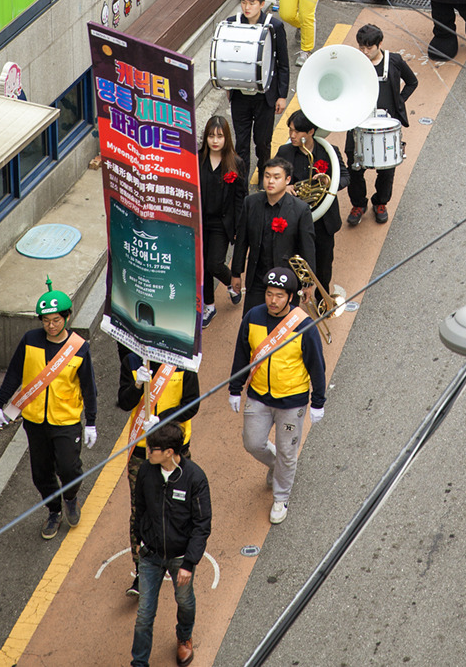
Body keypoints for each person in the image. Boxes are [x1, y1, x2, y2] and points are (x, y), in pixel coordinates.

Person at [0, 278, 97, 538]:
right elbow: (14, 374)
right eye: (46, 321)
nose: (51, 325)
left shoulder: (79, 348)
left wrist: (91, 422)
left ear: (67, 317)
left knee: (69, 469)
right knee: (41, 473)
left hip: (66, 420)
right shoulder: (30, 340)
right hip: (35, 420)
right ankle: (54, 510)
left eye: (56, 320)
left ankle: (70, 498)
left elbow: (89, 387)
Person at [228, 265, 326, 525]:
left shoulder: (304, 326)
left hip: (292, 402)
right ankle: (277, 466)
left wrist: (318, 401)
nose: (273, 300)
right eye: (269, 294)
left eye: (280, 296)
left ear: (290, 297)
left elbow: (317, 366)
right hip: (258, 396)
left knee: (287, 452)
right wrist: (235, 388)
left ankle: (281, 498)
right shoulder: (252, 317)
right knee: (252, 443)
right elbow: (241, 354)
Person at [117, 352, 201, 598]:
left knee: (180, 507)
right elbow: (124, 402)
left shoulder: (183, 360)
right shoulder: (133, 362)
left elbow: (192, 404)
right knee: (140, 511)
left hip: (175, 450)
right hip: (142, 451)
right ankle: (141, 570)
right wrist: (137, 386)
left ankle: (181, 561)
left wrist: (162, 420)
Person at [130, 422, 211, 667]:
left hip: (180, 558)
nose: (147, 451)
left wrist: (189, 563)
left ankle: (184, 637)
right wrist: (138, 540)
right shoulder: (146, 471)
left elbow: (202, 524)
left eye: (152, 448)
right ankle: (139, 662)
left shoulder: (195, 478)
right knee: (144, 614)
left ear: (169, 452)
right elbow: (139, 508)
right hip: (150, 554)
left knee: (184, 601)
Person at [343, 23, 417, 226]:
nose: (365, 52)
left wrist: (399, 102)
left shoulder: (394, 61)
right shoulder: (354, 63)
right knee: (354, 166)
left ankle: (381, 202)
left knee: (387, 168)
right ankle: (358, 204)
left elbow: (412, 82)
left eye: (369, 47)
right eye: (361, 47)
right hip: (358, 124)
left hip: (386, 126)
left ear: (380, 44)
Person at [231, 156, 317, 309]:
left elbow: (307, 248)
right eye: (267, 176)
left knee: (283, 322)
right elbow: (242, 241)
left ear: (287, 180)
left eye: (276, 177)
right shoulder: (250, 203)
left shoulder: (300, 209)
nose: (270, 181)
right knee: (253, 319)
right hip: (257, 278)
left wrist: (308, 283)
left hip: (287, 279)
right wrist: (236, 273)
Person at [225, 0, 289, 180]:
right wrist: (227, 84)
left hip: (265, 96)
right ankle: (242, 183)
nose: (247, 8)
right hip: (240, 95)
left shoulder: (275, 26)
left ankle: (264, 175)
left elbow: (283, 63)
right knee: (241, 142)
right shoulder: (232, 23)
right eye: (244, 2)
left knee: (262, 142)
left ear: (262, 4)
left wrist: (282, 95)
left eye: (252, 3)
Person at [278, 108, 343, 292]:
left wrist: (328, 183)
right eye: (290, 130)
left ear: (311, 132)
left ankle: (323, 298)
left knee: (324, 265)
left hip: (324, 220)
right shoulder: (285, 151)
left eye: (297, 131)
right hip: (296, 219)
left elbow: (345, 177)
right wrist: (284, 187)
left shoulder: (330, 152)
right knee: (297, 263)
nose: (292, 135)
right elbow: (271, 177)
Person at [198, 114, 246, 327]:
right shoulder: (197, 159)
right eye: (211, 136)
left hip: (221, 223)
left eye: (219, 136)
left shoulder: (236, 163)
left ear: (227, 137)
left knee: (214, 264)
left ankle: (231, 282)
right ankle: (209, 306)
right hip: (200, 222)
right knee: (203, 266)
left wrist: (238, 226)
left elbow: (240, 198)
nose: (215, 140)